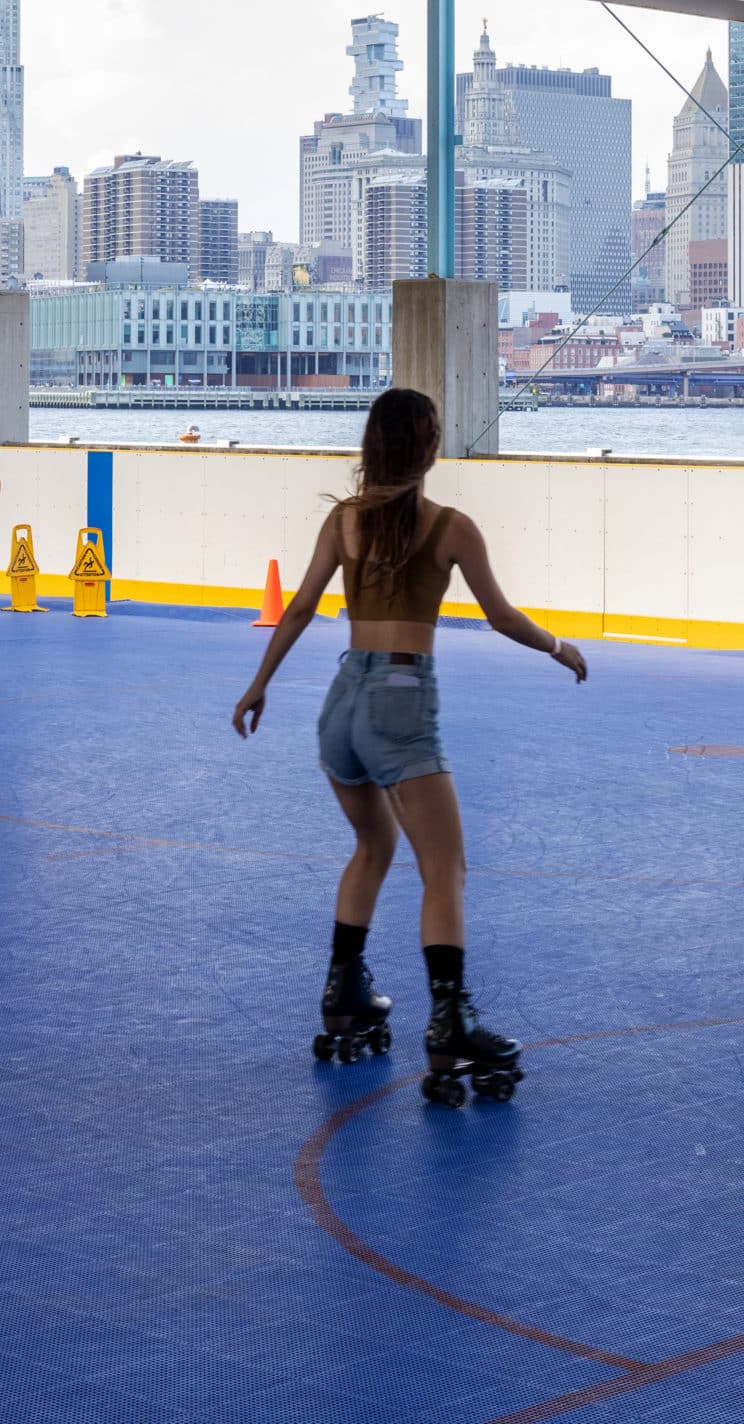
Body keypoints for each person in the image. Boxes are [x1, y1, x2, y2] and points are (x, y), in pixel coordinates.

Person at [232, 387, 588, 1105]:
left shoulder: (343, 521)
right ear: (429, 449)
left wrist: (259, 683)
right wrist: (557, 647)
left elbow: (300, 607)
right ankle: (450, 1024)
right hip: (401, 698)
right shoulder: (451, 527)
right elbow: (501, 615)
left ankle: (344, 995)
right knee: (444, 868)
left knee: (372, 848)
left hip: (342, 702)